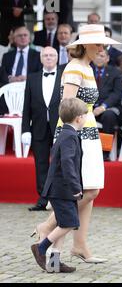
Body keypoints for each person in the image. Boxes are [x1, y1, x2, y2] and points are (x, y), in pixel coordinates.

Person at [33, 24, 121, 263]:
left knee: (91, 188)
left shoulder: (87, 68)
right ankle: (49, 228)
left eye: (104, 45)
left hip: (88, 132)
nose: (102, 48)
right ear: (85, 45)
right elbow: (67, 107)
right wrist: (71, 138)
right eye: (99, 44)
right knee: (85, 190)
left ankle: (79, 244)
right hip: (76, 135)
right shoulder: (74, 68)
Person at [31, 97, 88, 273]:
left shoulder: (65, 134)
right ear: (78, 118)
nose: (86, 118)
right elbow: (67, 163)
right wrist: (76, 188)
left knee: (62, 224)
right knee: (69, 223)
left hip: (60, 189)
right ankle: (41, 247)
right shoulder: (70, 137)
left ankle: (54, 264)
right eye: (85, 115)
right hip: (62, 189)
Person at [22, 47, 62, 212]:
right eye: (45, 55)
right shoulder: (32, 78)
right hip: (38, 127)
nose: (48, 58)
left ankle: (60, 199)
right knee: (40, 164)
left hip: (59, 125)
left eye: (52, 55)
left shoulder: (64, 77)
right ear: (40, 59)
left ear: (57, 58)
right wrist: (25, 129)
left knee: (61, 163)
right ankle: (43, 200)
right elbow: (26, 107)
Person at [0, 26, 42, 114]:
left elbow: (40, 73)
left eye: (25, 35)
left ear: (29, 39)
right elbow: (3, 73)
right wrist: (10, 78)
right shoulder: (7, 56)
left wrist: (27, 78)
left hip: (29, 87)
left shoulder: (37, 55)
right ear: (14, 39)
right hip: (10, 87)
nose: (23, 37)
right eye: (19, 36)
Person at [91, 49, 122, 161]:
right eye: (96, 55)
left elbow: (117, 94)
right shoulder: (86, 70)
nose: (99, 58)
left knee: (108, 117)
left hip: (108, 108)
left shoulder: (116, 72)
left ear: (107, 58)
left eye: (102, 55)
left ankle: (105, 152)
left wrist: (103, 107)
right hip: (89, 107)